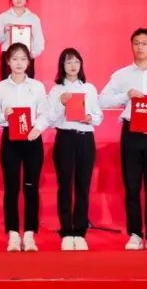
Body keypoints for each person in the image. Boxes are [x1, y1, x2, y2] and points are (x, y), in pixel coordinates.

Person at [99, 28, 147, 251]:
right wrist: (125, 95)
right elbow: (102, 100)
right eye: (136, 43)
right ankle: (134, 233)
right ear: (131, 46)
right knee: (132, 186)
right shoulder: (122, 75)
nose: (140, 47)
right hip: (131, 134)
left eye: (144, 43)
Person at [0, 43, 49, 252]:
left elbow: (45, 113)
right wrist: (3, 115)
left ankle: (30, 234)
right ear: (8, 61)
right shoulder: (0, 87)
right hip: (10, 141)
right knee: (11, 188)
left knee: (31, 188)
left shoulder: (37, 86)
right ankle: (13, 234)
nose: (19, 63)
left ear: (29, 62)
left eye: (23, 59)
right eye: (14, 59)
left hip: (32, 139)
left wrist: (37, 129)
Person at [47, 48, 103, 251]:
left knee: (83, 186)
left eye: (76, 62)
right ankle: (66, 231)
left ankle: (80, 232)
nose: (73, 66)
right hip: (65, 138)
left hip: (86, 138)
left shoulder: (89, 88)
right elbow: (50, 119)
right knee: (65, 185)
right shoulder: (56, 90)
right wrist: (62, 103)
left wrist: (90, 118)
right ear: (62, 66)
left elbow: (99, 117)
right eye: (69, 62)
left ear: (81, 65)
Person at [0, 0, 45, 80]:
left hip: (26, 56)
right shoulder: (3, 17)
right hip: (8, 57)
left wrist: (32, 55)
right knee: (7, 85)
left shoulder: (33, 18)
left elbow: (39, 40)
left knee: (27, 85)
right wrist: (4, 30)